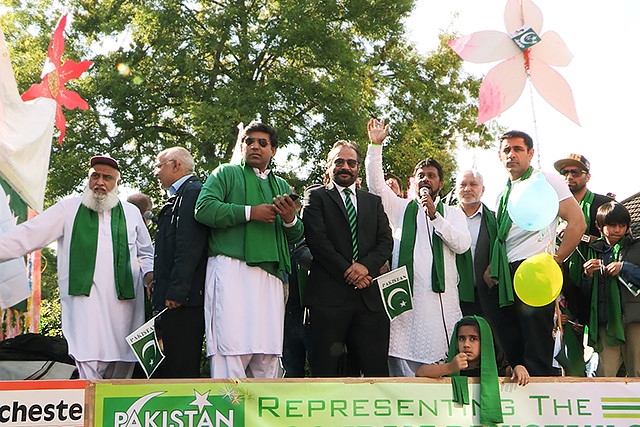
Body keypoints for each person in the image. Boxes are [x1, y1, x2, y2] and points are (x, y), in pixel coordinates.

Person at [0, 156, 154, 380]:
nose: (99, 182)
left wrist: (149, 274)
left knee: (122, 367)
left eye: (107, 178)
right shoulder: (69, 208)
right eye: (95, 176)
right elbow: (28, 234)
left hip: (125, 309)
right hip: (85, 306)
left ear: (117, 184)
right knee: (87, 364)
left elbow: (146, 253)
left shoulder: (131, 213)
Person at [194, 121, 304, 379]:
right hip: (232, 269)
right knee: (230, 349)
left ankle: (262, 418)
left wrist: (289, 218)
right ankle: (229, 414)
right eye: (249, 141)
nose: (255, 146)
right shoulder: (225, 173)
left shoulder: (282, 186)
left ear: (273, 150)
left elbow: (297, 234)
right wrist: (249, 213)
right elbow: (204, 209)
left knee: (267, 353)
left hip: (271, 276)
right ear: (242, 146)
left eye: (262, 143)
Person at [365, 118, 470, 377]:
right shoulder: (400, 208)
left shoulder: (453, 213)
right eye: (421, 176)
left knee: (442, 361)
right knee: (402, 366)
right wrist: (375, 147)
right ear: (413, 182)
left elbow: (463, 245)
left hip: (441, 303)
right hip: (406, 303)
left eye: (431, 176)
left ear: (440, 184)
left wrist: (435, 216)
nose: (426, 180)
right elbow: (376, 185)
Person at [490, 130, 586, 376]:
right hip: (507, 273)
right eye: (507, 150)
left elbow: (577, 223)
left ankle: (542, 405)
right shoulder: (503, 194)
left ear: (530, 153)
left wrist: (556, 260)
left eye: (518, 149)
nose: (512, 154)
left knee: (536, 347)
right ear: (500, 156)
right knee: (512, 346)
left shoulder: (546, 180)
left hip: (535, 269)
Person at [303, 140, 393, 377]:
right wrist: (350, 272)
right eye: (339, 162)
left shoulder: (372, 202)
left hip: (369, 300)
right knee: (325, 373)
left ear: (357, 168)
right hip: (328, 300)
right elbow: (318, 242)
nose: (345, 167)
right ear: (329, 166)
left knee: (376, 373)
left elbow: (386, 242)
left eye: (351, 163)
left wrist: (365, 267)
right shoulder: (315, 197)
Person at [151, 147, 208, 378]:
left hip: (184, 301)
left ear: (176, 165)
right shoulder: (178, 196)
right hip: (175, 298)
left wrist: (177, 291)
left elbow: (189, 245)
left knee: (182, 367)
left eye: (159, 165)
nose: (156, 173)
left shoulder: (192, 192)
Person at [415, 316, 529, 427]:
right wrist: (450, 367)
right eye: (461, 338)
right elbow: (421, 372)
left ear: (485, 341)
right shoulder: (450, 363)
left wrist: (519, 368)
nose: (466, 345)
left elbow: (512, 373)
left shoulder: (498, 367)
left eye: (473, 338)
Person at [553, 154, 613, 325]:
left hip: (599, 280)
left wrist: (579, 234)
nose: (569, 177)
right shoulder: (552, 207)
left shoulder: (604, 204)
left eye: (575, 172)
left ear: (587, 176)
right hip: (564, 283)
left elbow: (618, 241)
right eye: (564, 172)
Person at [583, 201, 640, 377]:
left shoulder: (636, 247)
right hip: (606, 322)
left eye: (622, 226)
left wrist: (624, 268)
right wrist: (587, 275)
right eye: (612, 225)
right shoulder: (593, 250)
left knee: (637, 370)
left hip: (634, 320)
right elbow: (585, 293)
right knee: (604, 373)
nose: (617, 230)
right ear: (600, 227)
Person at [455, 170, 500, 323]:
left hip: (488, 295)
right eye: (462, 185)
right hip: (454, 296)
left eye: (473, 184)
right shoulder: (446, 219)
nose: (467, 189)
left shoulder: (495, 220)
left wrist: (495, 264)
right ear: (456, 189)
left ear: (483, 189)